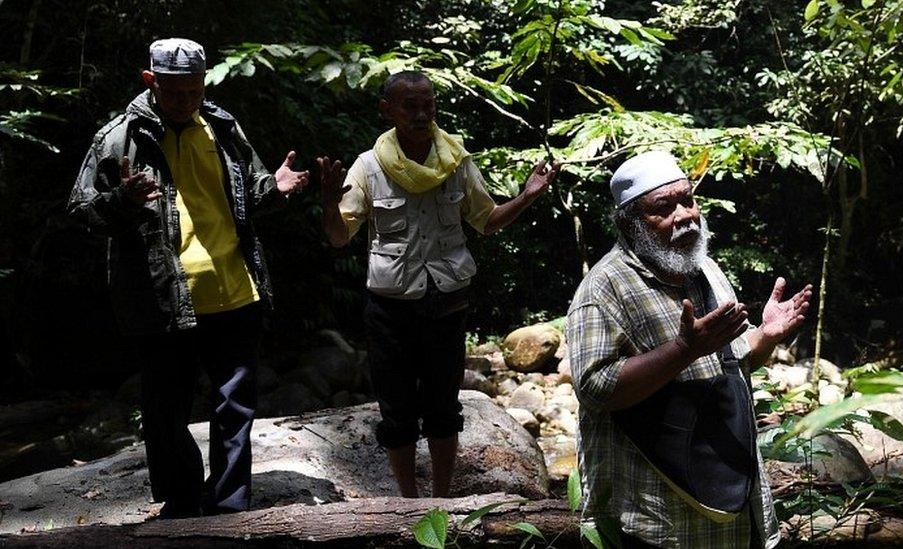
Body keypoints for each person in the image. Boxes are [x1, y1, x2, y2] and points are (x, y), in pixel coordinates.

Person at [67, 38, 310, 518]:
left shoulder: (221, 126)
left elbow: (249, 191)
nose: (186, 101)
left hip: (235, 289)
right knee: (163, 414)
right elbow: (80, 211)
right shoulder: (118, 139)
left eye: (194, 91)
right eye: (175, 92)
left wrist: (275, 187)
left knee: (235, 408)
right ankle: (181, 505)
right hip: (162, 298)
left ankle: (228, 507)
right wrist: (123, 201)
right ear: (150, 81)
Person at [318, 70, 560, 497]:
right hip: (390, 305)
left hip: (447, 301)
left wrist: (527, 196)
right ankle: (408, 504)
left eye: (427, 104)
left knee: (444, 407)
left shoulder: (456, 161)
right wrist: (327, 203)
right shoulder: (369, 167)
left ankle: (444, 501)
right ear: (387, 110)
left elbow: (485, 221)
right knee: (396, 410)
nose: (421, 113)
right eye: (409, 106)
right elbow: (340, 236)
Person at [566, 151, 812, 548]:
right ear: (629, 224)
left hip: (732, 500)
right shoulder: (603, 289)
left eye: (688, 200)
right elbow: (595, 389)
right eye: (664, 208)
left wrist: (766, 335)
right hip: (659, 519)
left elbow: (731, 359)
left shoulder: (704, 267)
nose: (685, 215)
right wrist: (683, 349)